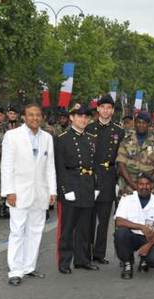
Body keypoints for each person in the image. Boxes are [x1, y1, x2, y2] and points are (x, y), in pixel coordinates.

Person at [0, 104, 56, 286]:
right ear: (24, 117)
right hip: (19, 193)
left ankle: (29, 267)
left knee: (35, 231)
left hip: (40, 193)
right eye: (31, 115)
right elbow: (6, 166)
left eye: (38, 115)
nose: (34, 118)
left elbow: (50, 167)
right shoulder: (12, 136)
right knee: (17, 231)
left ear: (42, 117)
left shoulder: (47, 137)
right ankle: (15, 271)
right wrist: (9, 191)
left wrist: (52, 191)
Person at [54, 104, 97, 274]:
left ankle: (82, 260)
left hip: (86, 186)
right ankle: (64, 262)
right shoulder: (62, 138)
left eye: (86, 117)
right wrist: (65, 189)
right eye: (79, 116)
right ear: (71, 118)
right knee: (68, 228)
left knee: (84, 228)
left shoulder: (90, 138)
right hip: (71, 186)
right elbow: (60, 167)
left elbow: (94, 165)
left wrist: (96, 186)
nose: (83, 119)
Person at [85, 94, 125, 265]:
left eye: (109, 108)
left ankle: (99, 254)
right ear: (98, 109)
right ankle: (86, 252)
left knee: (103, 220)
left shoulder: (119, 130)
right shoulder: (89, 128)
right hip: (90, 175)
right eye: (103, 107)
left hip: (108, 176)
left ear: (113, 111)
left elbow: (121, 157)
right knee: (88, 218)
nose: (106, 110)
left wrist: (118, 181)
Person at [114, 173, 154, 279]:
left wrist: (148, 246)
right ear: (136, 185)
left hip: (148, 238)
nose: (144, 187)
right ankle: (127, 263)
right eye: (141, 184)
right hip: (131, 236)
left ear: (152, 186)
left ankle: (144, 259)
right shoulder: (127, 199)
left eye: (147, 184)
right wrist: (141, 227)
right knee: (120, 233)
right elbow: (119, 221)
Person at [116, 112, 154, 197]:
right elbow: (121, 164)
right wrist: (133, 185)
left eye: (144, 123)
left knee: (149, 210)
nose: (141, 125)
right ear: (135, 123)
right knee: (126, 210)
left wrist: (147, 183)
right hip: (128, 185)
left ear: (148, 124)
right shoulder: (126, 140)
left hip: (149, 187)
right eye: (139, 122)